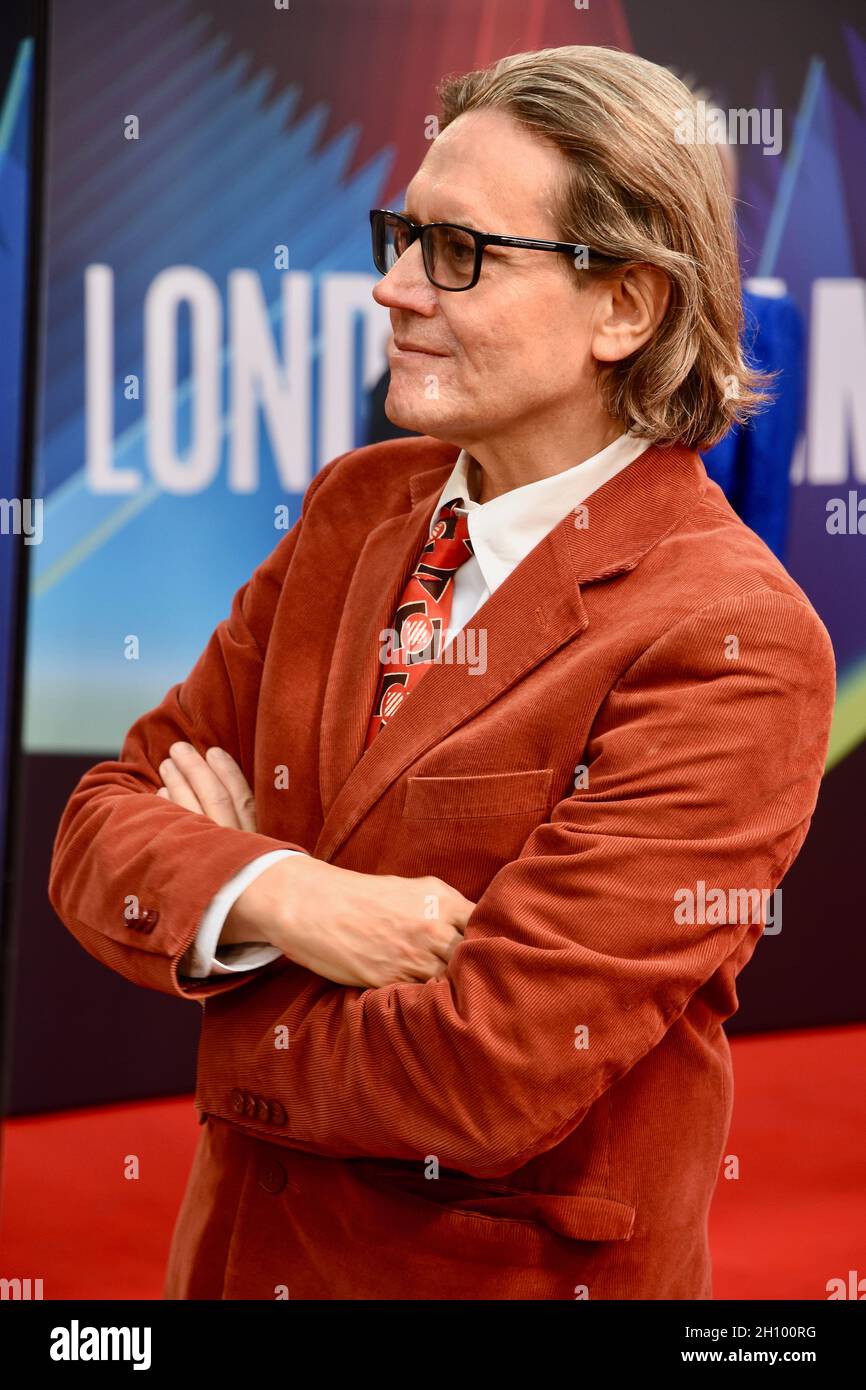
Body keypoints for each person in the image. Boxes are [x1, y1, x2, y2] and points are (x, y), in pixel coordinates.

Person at [49, 45, 836, 1300]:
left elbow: (484, 1075)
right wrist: (298, 899)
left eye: (458, 252)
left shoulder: (729, 636)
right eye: (400, 236)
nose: (395, 289)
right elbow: (98, 831)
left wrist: (223, 938)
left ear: (625, 306)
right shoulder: (355, 506)